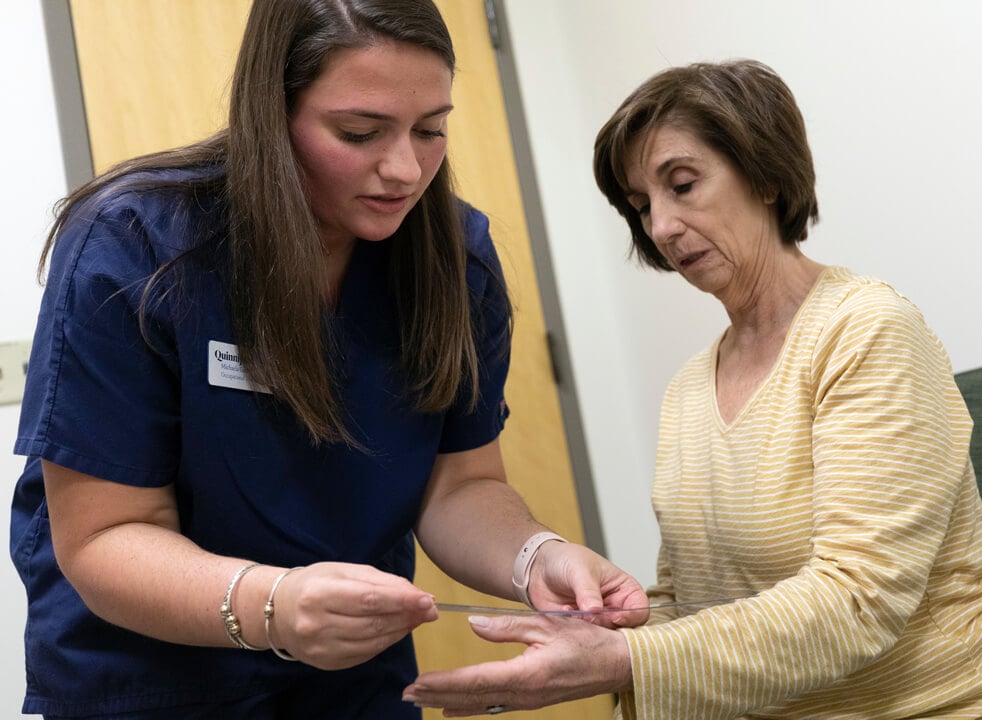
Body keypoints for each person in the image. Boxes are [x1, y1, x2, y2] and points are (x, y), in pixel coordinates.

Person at [9, 1, 647, 718]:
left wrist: (537, 558)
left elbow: (461, 485)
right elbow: (104, 537)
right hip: (145, 685)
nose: (405, 168)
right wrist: (272, 606)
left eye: (432, 129)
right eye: (359, 132)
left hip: (349, 687)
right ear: (271, 115)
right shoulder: (134, 246)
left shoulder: (452, 259)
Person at [403, 59, 982, 719]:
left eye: (684, 185)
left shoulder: (867, 330)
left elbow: (859, 603)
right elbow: (685, 600)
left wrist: (626, 663)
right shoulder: (691, 388)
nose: (661, 227)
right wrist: (607, 639)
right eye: (642, 206)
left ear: (764, 177)